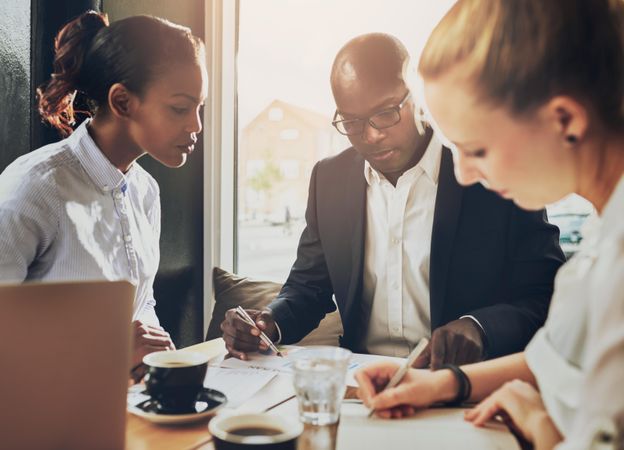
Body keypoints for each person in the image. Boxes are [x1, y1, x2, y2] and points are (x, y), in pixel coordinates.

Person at [355, 1, 624, 449]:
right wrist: (443, 384)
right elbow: (557, 360)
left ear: (565, 120)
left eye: (476, 149)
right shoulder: (606, 229)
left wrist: (539, 422)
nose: (461, 174)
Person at [221, 33, 564, 368]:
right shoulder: (329, 180)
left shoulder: (488, 170)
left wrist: (479, 327)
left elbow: (546, 294)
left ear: (416, 94)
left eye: (386, 113)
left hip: (466, 386)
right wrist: (269, 322)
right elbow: (308, 288)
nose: (371, 135)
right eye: (352, 122)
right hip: (363, 386)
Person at [0, 11, 207, 372]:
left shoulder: (145, 191)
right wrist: (106, 348)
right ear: (123, 102)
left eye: (199, 107)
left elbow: (141, 307)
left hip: (127, 406)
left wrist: (162, 358)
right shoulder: (35, 187)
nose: (196, 125)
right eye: (180, 108)